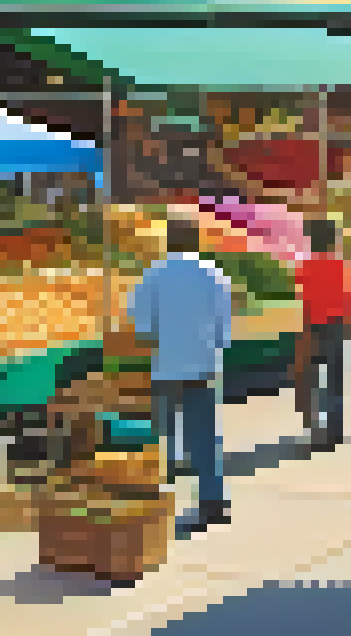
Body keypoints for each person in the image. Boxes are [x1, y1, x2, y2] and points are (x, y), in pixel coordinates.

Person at [127, 219, 235, 526]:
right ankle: (213, 502)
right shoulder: (215, 274)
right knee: (206, 437)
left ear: (168, 241)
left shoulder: (154, 275)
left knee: (161, 437)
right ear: (196, 241)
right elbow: (224, 331)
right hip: (203, 364)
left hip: (166, 365)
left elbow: (142, 327)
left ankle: (156, 504)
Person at [292, 219, 351, 450]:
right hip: (337, 326)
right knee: (335, 379)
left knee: (312, 378)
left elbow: (305, 300)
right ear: (334, 240)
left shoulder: (305, 266)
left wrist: (304, 330)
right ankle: (335, 430)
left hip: (313, 325)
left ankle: (313, 427)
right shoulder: (344, 266)